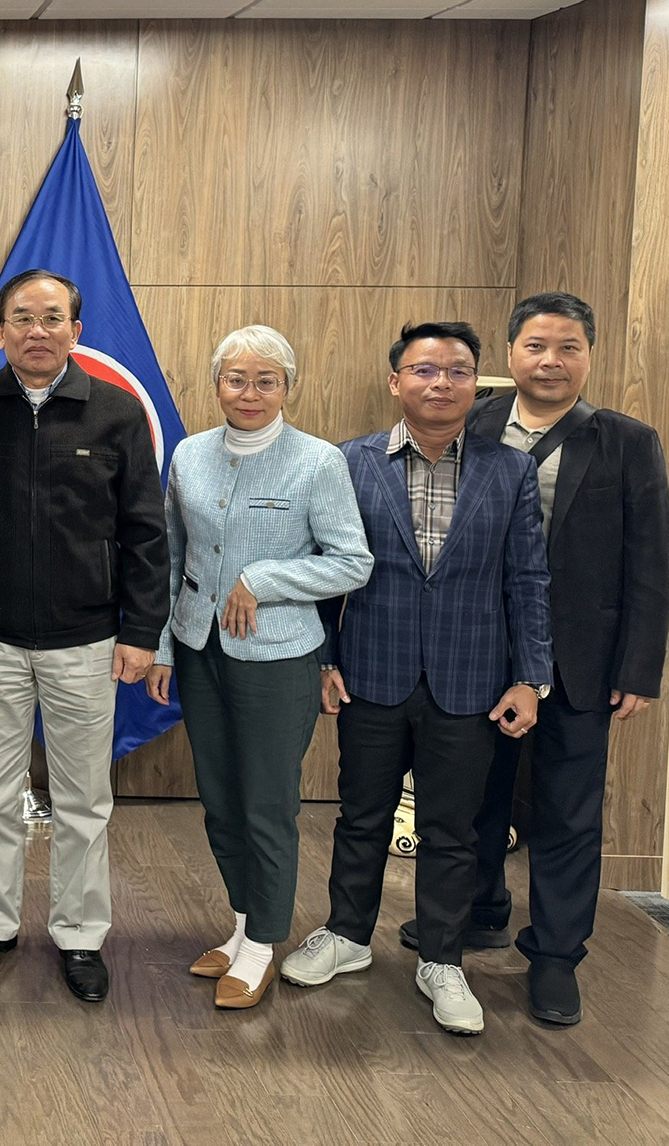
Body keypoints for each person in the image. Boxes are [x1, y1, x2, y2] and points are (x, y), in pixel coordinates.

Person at [395, 292, 669, 1027]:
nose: (552, 361)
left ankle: (553, 955)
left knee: (567, 813)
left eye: (569, 347)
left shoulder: (626, 441)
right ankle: (479, 910)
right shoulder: (472, 424)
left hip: (583, 663)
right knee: (473, 799)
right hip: (481, 654)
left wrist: (638, 667)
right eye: (537, 347)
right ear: (510, 356)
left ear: (588, 356)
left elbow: (650, 563)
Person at [281, 321, 549, 1037]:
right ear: (397, 381)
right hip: (372, 669)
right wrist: (323, 658)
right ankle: (345, 935)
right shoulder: (350, 462)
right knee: (361, 816)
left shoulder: (510, 469)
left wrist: (531, 677)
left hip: (471, 678)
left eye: (457, 371)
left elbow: (527, 578)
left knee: (452, 829)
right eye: (424, 370)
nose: (440, 382)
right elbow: (320, 569)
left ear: (476, 384)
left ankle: (442, 958)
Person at [0, 269, 168, 1004]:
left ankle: (80, 936)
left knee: (82, 798)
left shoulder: (114, 412)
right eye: (22, 318)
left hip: (86, 641)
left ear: (77, 328)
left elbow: (146, 532)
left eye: (53, 317)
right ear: (0, 331)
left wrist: (141, 632)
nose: (37, 331)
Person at [145, 325, 373, 1010]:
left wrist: (263, 577)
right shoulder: (189, 454)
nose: (249, 393)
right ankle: (242, 926)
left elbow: (351, 561)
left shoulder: (318, 462)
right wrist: (161, 644)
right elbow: (172, 558)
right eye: (235, 379)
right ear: (216, 385)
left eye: (265, 380)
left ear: (287, 388)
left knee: (266, 804)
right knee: (219, 800)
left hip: (279, 658)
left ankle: (265, 943)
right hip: (197, 650)